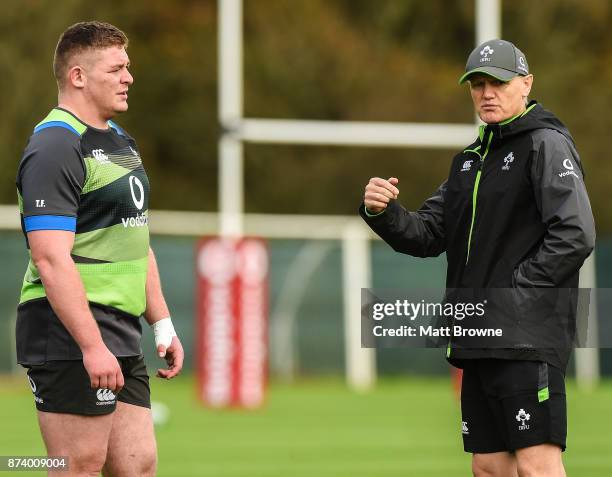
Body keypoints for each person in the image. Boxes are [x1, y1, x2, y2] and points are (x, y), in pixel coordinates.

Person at [360, 39, 595, 477]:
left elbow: (575, 233)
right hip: (478, 333)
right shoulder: (469, 161)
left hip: (527, 337)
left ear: (526, 84)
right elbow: (428, 234)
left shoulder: (546, 144)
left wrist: (516, 292)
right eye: (478, 84)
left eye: (498, 83)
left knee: (537, 465)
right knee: (488, 466)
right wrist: (383, 212)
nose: (487, 92)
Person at [15, 21, 184, 476]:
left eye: (128, 67)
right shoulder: (55, 145)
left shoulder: (122, 142)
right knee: (78, 466)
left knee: (138, 465)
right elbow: (49, 258)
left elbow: (135, 237)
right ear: (78, 77)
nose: (129, 77)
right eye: (117, 68)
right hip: (69, 330)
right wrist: (91, 346)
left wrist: (162, 322)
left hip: (121, 329)